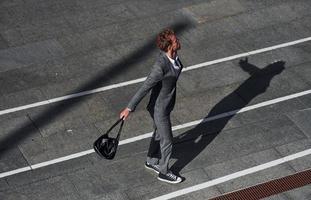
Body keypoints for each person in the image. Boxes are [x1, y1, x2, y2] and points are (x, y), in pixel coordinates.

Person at [119, 28, 183, 184]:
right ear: (169, 45)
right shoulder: (159, 66)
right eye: (175, 40)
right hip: (159, 108)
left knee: (159, 133)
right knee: (167, 140)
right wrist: (129, 108)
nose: (178, 41)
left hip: (165, 104)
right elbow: (145, 87)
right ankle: (164, 171)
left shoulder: (174, 56)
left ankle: (151, 160)